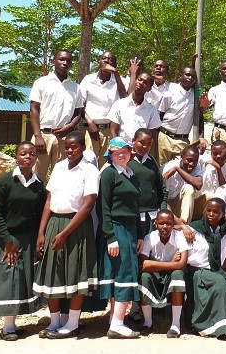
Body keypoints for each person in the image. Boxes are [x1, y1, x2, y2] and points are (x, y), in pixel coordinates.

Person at [33, 131, 100, 338]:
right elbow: (48, 201)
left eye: (74, 147)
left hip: (77, 226)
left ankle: (72, 323)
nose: (70, 150)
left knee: (75, 274)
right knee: (53, 274)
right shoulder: (59, 168)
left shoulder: (89, 171)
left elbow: (88, 205)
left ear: (83, 148)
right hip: (55, 222)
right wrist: (42, 232)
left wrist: (65, 233)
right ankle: (55, 322)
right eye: (67, 147)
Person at [0, 141, 46, 340]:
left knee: (21, 280)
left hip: (28, 239)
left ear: (36, 158)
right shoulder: (5, 182)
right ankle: (7, 327)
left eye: (31, 154)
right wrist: (7, 239)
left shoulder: (38, 185)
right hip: (8, 238)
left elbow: (39, 214)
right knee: (9, 277)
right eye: (23, 153)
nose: (27, 157)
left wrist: (38, 238)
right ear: (17, 157)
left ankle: (14, 323)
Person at [98, 136, 143, 339]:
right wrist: (110, 237)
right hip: (116, 228)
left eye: (125, 150)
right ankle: (117, 323)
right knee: (122, 272)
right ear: (111, 154)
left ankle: (115, 320)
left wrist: (140, 234)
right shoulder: (108, 175)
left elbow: (136, 208)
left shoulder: (131, 175)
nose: (122, 154)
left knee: (124, 271)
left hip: (131, 229)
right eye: (118, 152)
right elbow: (103, 208)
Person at [185, 198, 226, 341]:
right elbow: (176, 228)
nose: (211, 214)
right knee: (220, 283)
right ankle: (217, 328)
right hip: (198, 270)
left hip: (217, 270)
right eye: (209, 210)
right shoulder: (195, 228)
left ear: (223, 214)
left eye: (216, 212)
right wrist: (183, 226)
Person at [28, 50, 84, 180]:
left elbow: (78, 112)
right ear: (54, 61)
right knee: (35, 176)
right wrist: (38, 136)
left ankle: (53, 201)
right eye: (61, 59)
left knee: (61, 178)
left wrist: (70, 126)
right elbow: (34, 109)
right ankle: (35, 201)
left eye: (68, 61)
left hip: (64, 139)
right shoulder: (41, 82)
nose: (65, 63)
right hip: (43, 136)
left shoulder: (76, 88)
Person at [138, 209, 189, 338]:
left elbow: (182, 264)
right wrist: (171, 263)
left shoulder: (179, 237)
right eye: (161, 223)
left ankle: (175, 324)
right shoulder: (150, 237)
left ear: (173, 225)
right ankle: (148, 322)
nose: (165, 227)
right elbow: (143, 265)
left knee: (178, 274)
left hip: (171, 275)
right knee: (144, 277)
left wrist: (154, 264)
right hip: (156, 275)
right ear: (156, 224)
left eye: (168, 223)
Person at [81, 51, 127, 164]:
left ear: (115, 65)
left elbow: (125, 99)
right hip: (90, 129)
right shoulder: (88, 79)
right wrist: (90, 123)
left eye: (111, 59)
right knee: (88, 163)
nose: (107, 61)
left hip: (109, 130)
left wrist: (116, 74)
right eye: (104, 58)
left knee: (106, 164)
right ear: (99, 61)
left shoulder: (119, 81)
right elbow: (79, 105)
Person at [163, 144, 214, 223]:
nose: (192, 164)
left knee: (210, 197)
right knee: (188, 188)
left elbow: (198, 185)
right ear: (181, 156)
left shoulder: (196, 166)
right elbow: (163, 200)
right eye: (189, 160)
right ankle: (184, 225)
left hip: (189, 207)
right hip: (171, 208)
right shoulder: (169, 167)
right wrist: (175, 219)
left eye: (195, 161)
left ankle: (208, 228)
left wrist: (178, 170)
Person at [157, 66, 198, 165]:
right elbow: (161, 114)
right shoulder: (170, 92)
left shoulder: (196, 94)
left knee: (179, 170)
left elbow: (199, 113)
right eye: (187, 75)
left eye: (193, 76)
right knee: (161, 169)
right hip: (165, 137)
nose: (190, 78)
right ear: (180, 76)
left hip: (182, 141)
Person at [108, 71, 161, 141]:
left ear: (149, 89)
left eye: (145, 82)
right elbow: (113, 131)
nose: (141, 83)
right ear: (135, 81)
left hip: (140, 150)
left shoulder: (152, 110)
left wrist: (141, 150)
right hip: (120, 148)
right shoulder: (119, 104)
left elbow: (151, 135)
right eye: (139, 79)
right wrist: (118, 148)